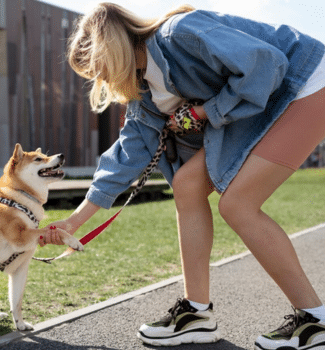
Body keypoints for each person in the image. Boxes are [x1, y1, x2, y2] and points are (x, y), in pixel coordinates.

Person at [40, 3, 325, 349]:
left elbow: (266, 65)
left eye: (100, 70)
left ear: (111, 49)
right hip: (268, 101)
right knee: (186, 184)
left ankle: (316, 321)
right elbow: (125, 158)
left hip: (307, 81)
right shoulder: (144, 95)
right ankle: (196, 314)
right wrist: (73, 221)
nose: (103, 81)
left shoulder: (180, 33)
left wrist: (203, 112)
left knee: (237, 205)